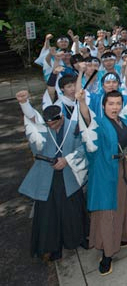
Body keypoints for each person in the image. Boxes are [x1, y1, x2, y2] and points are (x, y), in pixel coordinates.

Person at [16, 92, 88, 262]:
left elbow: (84, 148)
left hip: (70, 175)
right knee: (49, 213)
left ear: (61, 117)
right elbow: (32, 117)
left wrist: (67, 160)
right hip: (48, 176)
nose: (53, 127)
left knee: (74, 209)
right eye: (49, 124)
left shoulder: (75, 126)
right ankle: (52, 246)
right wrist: (24, 103)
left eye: (55, 123)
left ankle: (78, 238)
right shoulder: (45, 128)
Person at [77, 90, 127, 275]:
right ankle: (107, 253)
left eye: (118, 103)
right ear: (103, 105)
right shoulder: (99, 124)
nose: (115, 107)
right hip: (106, 172)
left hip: (124, 167)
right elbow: (86, 118)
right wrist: (82, 101)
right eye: (111, 104)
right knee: (109, 211)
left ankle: (126, 236)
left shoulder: (121, 121)